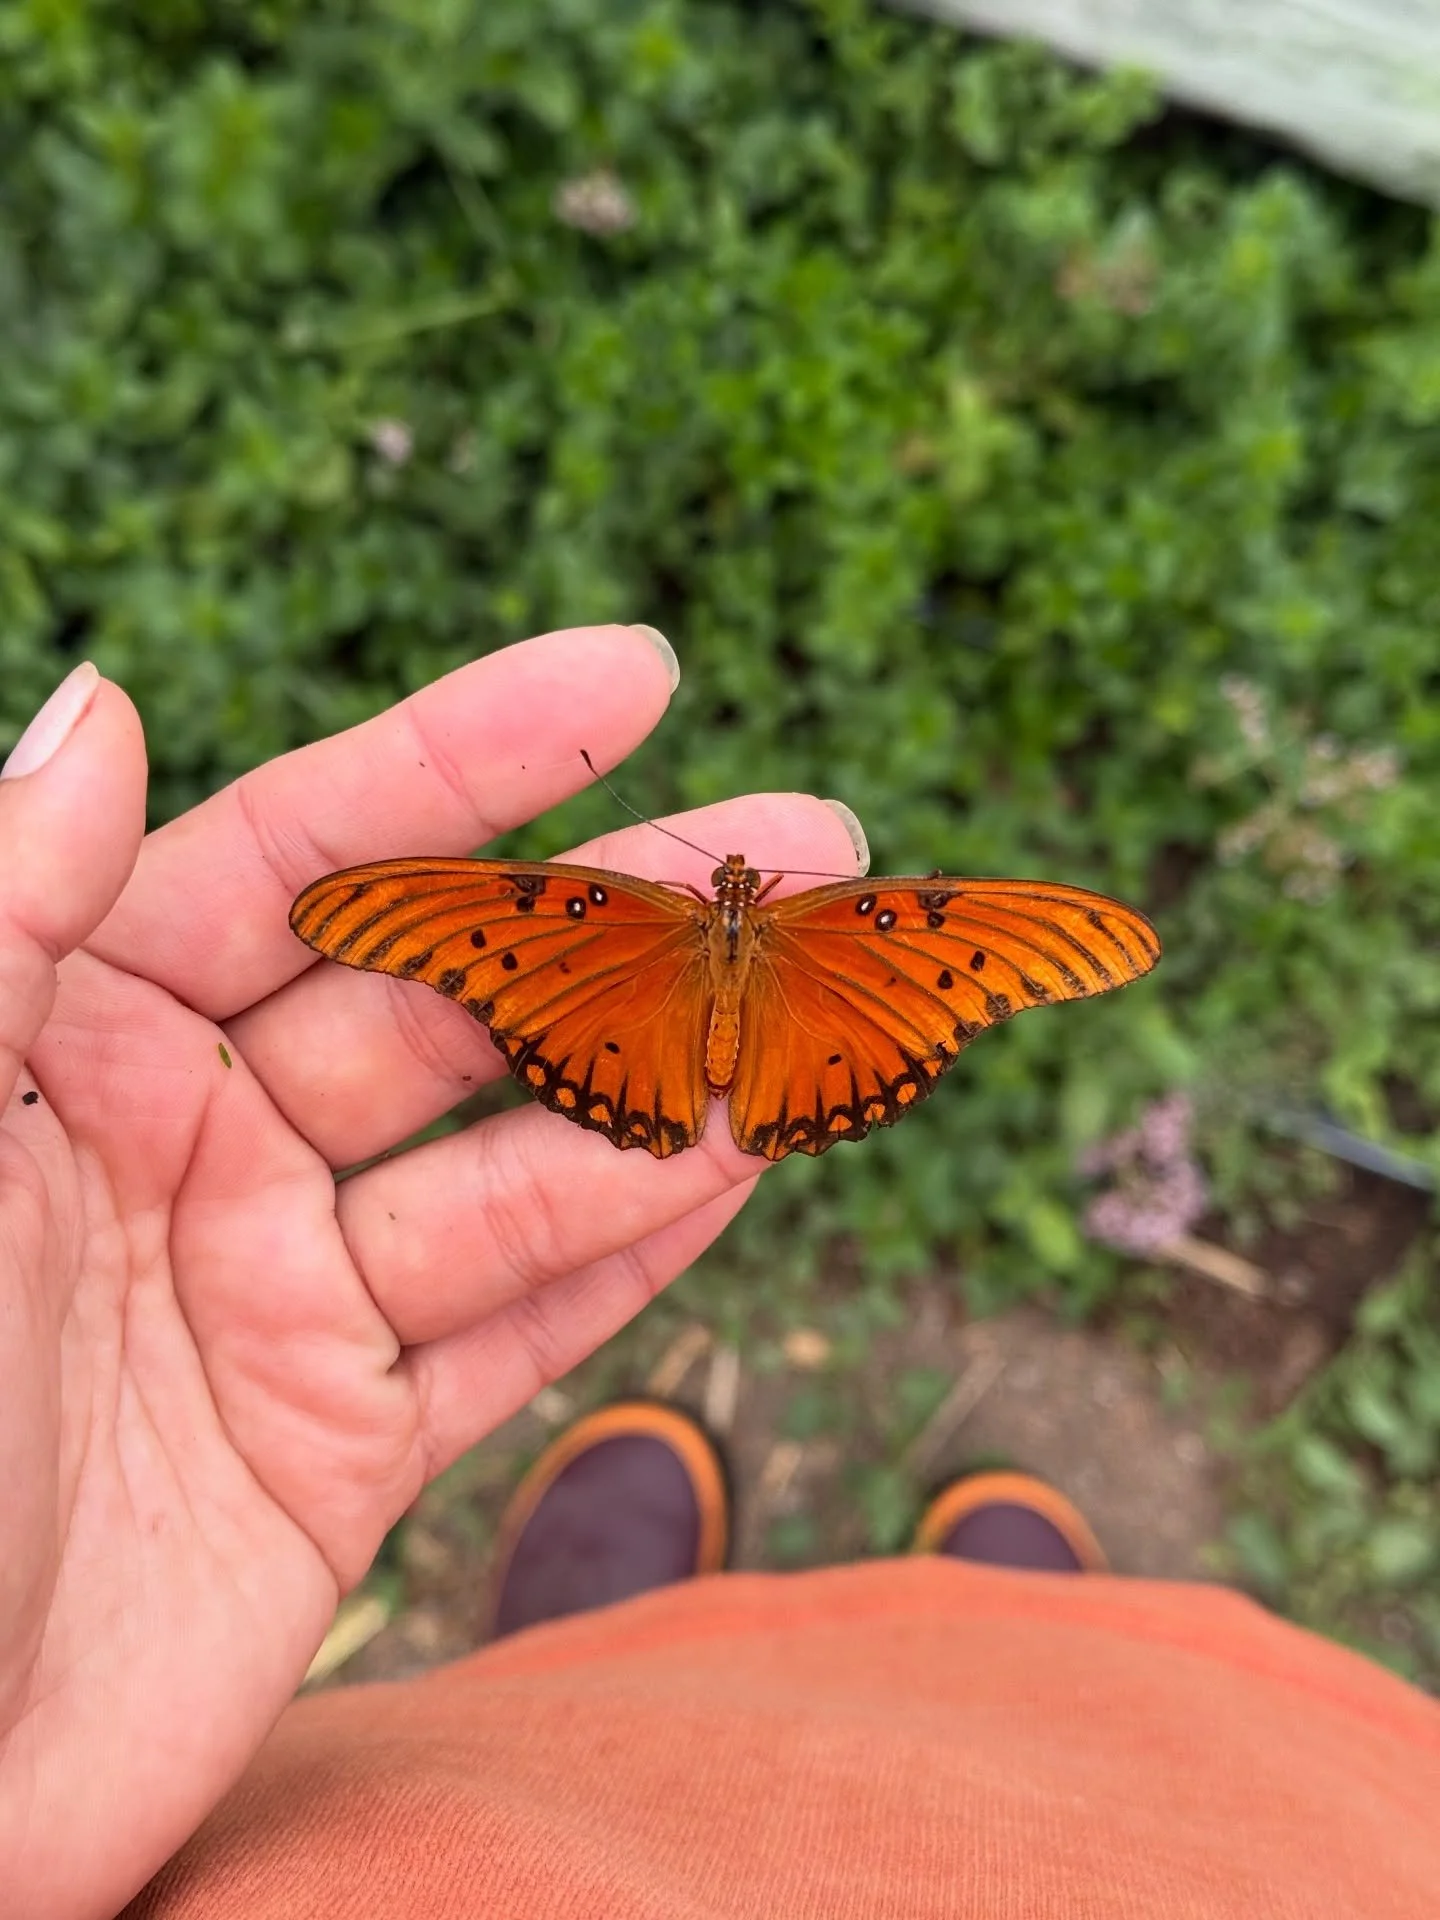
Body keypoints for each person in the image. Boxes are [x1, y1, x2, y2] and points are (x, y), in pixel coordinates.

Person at [1, 626, 1434, 1920]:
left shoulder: (595, 915)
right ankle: (1015, 1637)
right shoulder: (844, 928)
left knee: (563, 1752)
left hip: (635, 1039)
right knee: (1108, 1728)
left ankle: (600, 1652)